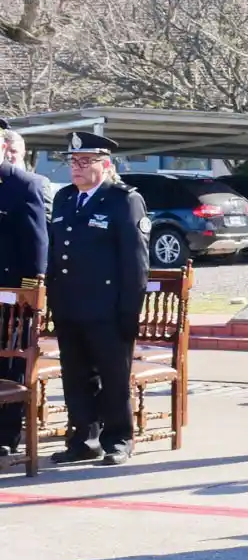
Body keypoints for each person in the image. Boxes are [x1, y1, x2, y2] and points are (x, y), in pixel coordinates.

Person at [47, 132, 150, 467]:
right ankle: (84, 439)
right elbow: (56, 254)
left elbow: (135, 262)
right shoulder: (64, 199)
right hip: (69, 306)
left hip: (107, 308)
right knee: (75, 378)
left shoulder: (123, 200)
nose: (76, 168)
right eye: (73, 161)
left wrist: (129, 311)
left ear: (105, 165)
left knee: (113, 377)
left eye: (85, 161)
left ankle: (119, 439)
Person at [0, 120, 49, 458]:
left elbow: (37, 251)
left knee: (9, 367)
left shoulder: (23, 185)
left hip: (10, 296)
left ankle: (6, 435)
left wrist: (28, 299)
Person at [1, 122, 53, 218]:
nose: (7, 155)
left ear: (23, 153)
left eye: (13, 151)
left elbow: (46, 220)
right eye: (5, 151)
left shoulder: (37, 183)